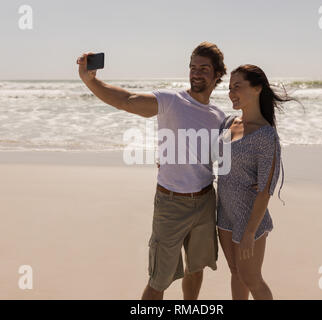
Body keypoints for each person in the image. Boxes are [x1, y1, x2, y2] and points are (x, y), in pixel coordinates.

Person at [76, 42, 227, 300]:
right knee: (159, 278)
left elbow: (218, 160)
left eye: (204, 68)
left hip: (204, 202)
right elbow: (127, 100)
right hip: (171, 204)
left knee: (196, 268)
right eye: (193, 67)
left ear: (217, 74)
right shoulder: (171, 101)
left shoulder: (218, 116)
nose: (196, 73)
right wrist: (90, 81)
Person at [216, 64, 293, 300]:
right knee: (236, 273)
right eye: (229, 88)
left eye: (237, 86)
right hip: (224, 214)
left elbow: (265, 190)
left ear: (258, 88)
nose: (231, 92)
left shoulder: (266, 135)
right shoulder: (229, 123)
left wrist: (249, 232)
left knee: (252, 278)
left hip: (250, 220)